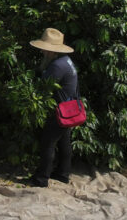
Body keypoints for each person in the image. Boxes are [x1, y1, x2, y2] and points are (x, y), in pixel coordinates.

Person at [26, 27, 79, 188]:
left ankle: (41, 178)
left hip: (59, 110)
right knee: (64, 141)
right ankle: (62, 173)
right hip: (69, 107)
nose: (42, 51)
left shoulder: (56, 66)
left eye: (44, 49)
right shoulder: (65, 61)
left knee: (47, 143)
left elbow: (44, 86)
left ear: (51, 51)